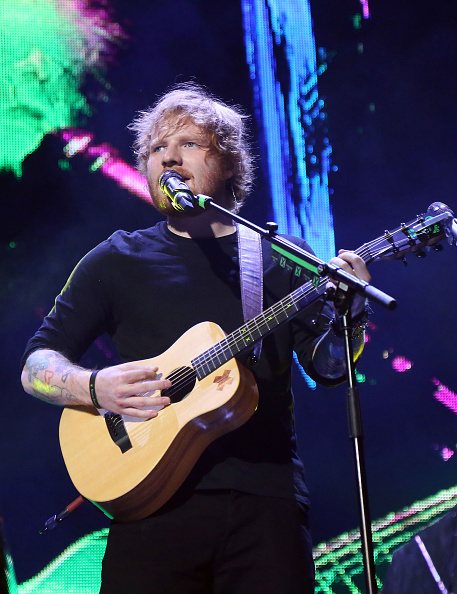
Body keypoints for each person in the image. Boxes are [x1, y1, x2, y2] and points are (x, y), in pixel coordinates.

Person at [21, 83, 371, 594]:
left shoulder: (279, 256)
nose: (168, 157)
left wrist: (351, 315)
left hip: (264, 501)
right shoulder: (116, 259)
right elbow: (36, 365)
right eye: (156, 149)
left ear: (227, 163)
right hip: (148, 505)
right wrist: (94, 388)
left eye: (187, 143)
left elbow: (331, 369)